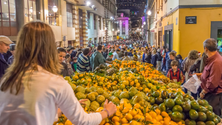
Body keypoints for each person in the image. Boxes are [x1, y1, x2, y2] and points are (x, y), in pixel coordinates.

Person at [0, 21, 116, 125]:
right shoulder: (55, 82)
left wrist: (62, 110)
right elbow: (82, 120)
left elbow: (31, 114)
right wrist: (106, 112)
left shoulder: (7, 80)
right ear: (50, 48)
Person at [197, 38, 222, 116]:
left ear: (206, 48)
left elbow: (213, 82)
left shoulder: (216, 62)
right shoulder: (213, 59)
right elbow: (212, 74)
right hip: (210, 94)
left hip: (213, 96)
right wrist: (201, 75)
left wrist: (203, 92)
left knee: (212, 117)